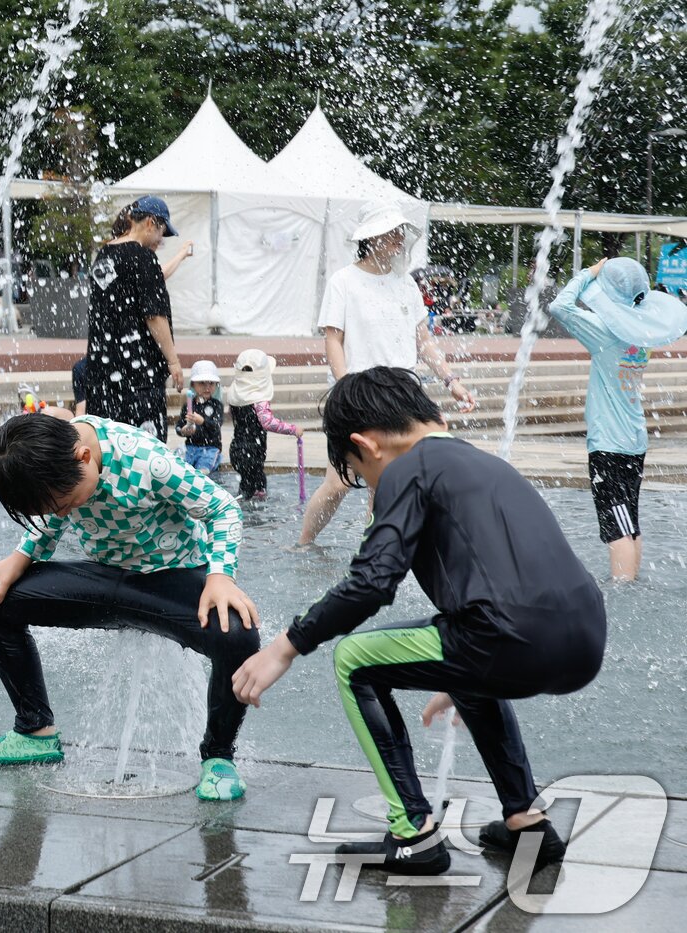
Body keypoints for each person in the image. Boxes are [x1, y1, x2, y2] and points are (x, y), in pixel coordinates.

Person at [232, 367, 606, 875]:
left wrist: (285, 646)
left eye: (360, 473)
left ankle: (413, 835)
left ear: (367, 445)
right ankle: (527, 823)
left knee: (353, 660)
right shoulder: (483, 462)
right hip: (585, 638)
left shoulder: (408, 468)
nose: (370, 488)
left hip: (507, 636)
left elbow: (371, 584)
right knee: (454, 643)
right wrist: (461, 673)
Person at [0, 412, 261, 801]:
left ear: (84, 456)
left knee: (237, 634)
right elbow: (52, 518)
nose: (61, 513)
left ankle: (218, 757)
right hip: (103, 579)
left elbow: (223, 508)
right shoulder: (57, 461)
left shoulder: (146, 461)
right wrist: (21, 557)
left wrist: (220, 576)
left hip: (170, 579)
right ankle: (35, 730)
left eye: (67, 503)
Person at [297, 202, 476, 546]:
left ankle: (373, 555)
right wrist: (344, 384)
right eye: (389, 231)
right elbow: (333, 338)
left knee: (386, 486)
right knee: (338, 483)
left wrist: (451, 380)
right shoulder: (344, 281)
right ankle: (304, 544)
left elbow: (423, 341)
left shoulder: (405, 284)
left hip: (402, 393)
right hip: (359, 392)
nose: (397, 237)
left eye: (399, 231)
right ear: (370, 237)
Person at [547, 256, 687, 581]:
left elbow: (560, 306)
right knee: (629, 522)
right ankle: (631, 582)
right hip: (634, 441)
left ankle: (624, 591)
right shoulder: (641, 335)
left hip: (609, 444)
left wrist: (589, 272)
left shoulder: (605, 334)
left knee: (616, 526)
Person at [85, 196, 183, 441]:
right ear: (151, 222)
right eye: (162, 231)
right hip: (139, 378)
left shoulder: (104, 255)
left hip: (102, 376)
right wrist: (173, 361)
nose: (161, 240)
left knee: (107, 450)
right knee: (146, 453)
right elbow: (154, 316)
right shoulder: (143, 258)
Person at [224, 350, 302, 502]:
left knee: (245, 489)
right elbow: (268, 422)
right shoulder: (259, 399)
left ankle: (243, 515)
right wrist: (293, 429)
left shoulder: (235, 395)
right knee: (257, 492)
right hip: (253, 452)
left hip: (237, 450)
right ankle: (257, 521)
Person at [175, 359, 224, 477]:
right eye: (202, 383)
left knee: (203, 470)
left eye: (211, 383)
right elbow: (179, 426)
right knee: (179, 466)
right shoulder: (189, 405)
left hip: (211, 447)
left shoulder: (216, 405)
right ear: (193, 385)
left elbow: (216, 426)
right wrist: (184, 430)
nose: (207, 387)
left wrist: (202, 421)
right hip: (191, 446)